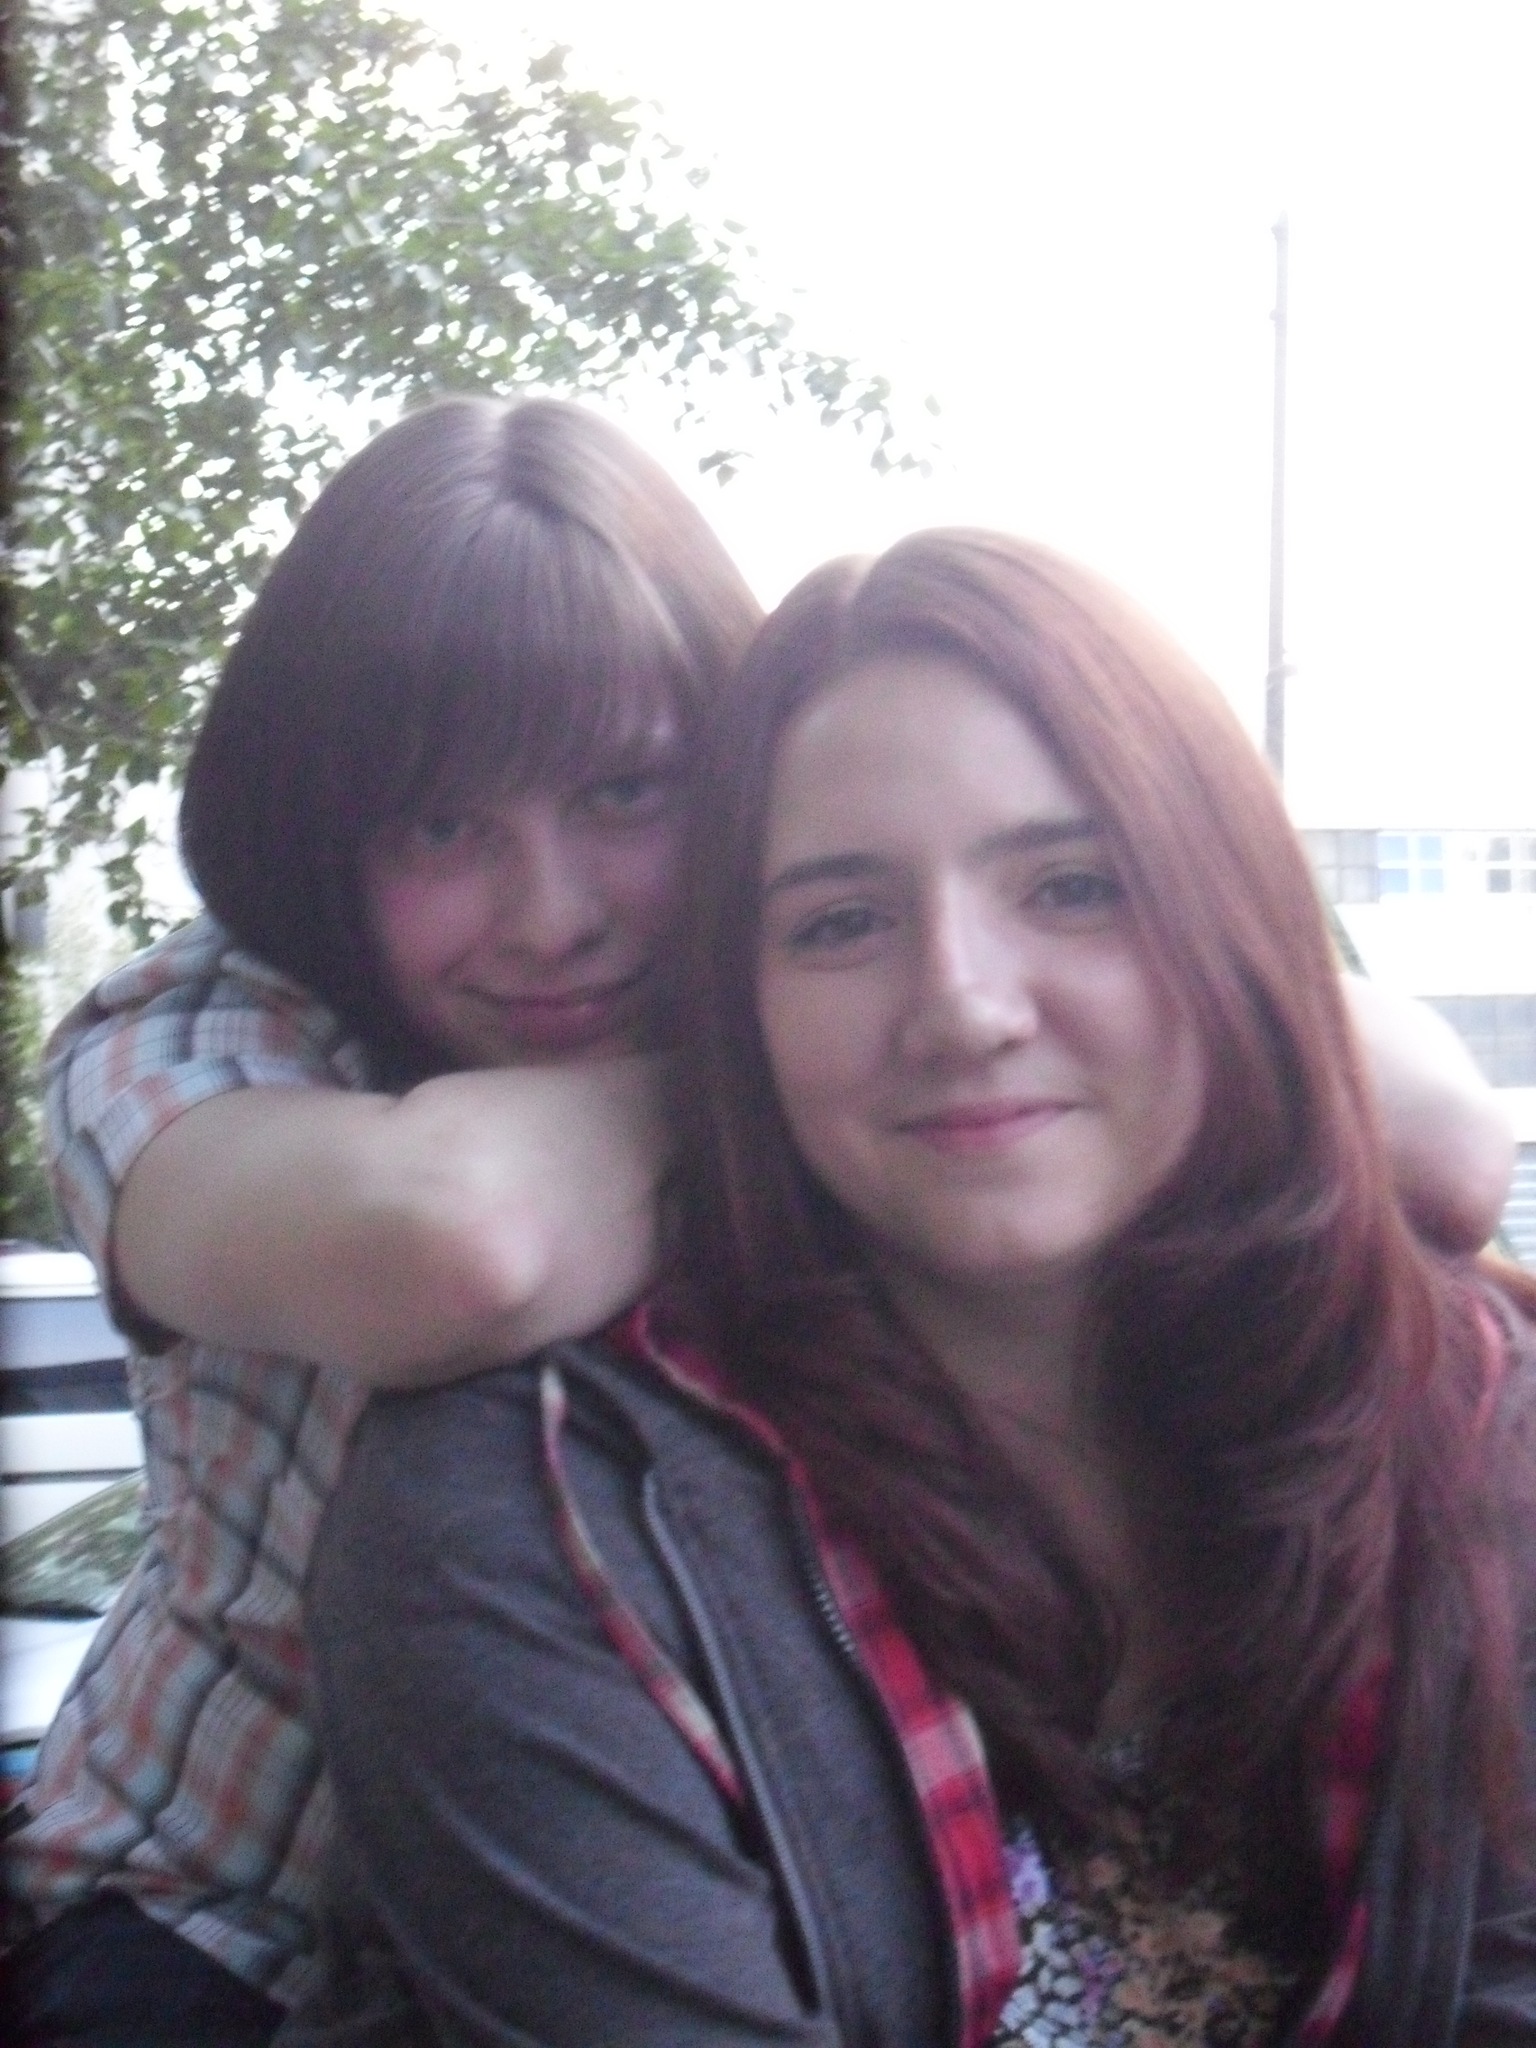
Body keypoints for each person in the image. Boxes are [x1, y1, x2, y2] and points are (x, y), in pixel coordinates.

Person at [291, 530, 1536, 2046]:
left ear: (1240, 927)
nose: (962, 1007)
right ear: (736, 1006)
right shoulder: (529, 1522)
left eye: (1073, 887)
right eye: (843, 923)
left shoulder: (1478, 1420)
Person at [2, 393, 763, 2043]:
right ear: (324, 836)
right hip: (225, 1929)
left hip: (694, 1913)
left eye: (626, 792)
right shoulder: (184, 1035)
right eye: (444, 825)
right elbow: (454, 1244)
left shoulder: (825, 987)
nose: (551, 918)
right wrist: (797, 1079)